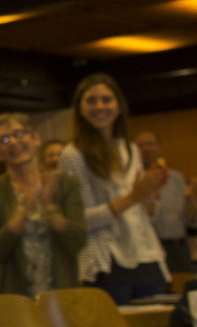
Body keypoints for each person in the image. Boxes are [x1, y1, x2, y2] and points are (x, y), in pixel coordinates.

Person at [61, 74, 172, 304]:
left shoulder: (129, 148)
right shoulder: (74, 155)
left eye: (106, 100)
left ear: (119, 106)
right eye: (91, 101)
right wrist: (133, 198)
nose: (99, 106)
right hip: (107, 262)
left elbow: (147, 213)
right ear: (80, 109)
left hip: (147, 255)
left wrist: (151, 193)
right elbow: (80, 220)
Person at [0, 114, 85, 297]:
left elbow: (77, 241)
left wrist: (49, 208)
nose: (13, 142)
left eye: (19, 134)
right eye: (4, 139)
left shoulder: (66, 184)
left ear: (36, 139)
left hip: (60, 295)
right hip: (10, 299)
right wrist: (24, 208)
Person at [134, 130, 197, 273]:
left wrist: (191, 200)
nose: (146, 148)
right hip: (150, 249)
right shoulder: (133, 180)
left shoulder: (176, 178)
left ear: (159, 147)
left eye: (151, 144)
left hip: (179, 247)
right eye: (141, 145)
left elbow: (193, 221)